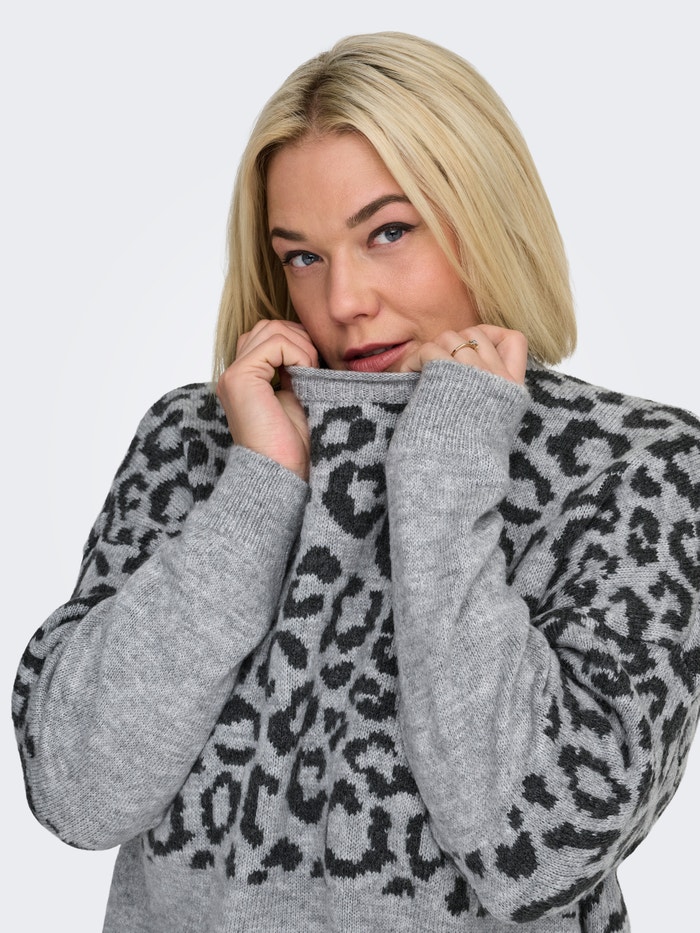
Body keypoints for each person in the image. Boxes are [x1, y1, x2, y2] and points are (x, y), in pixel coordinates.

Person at [12, 31, 700, 933]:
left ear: (487, 212)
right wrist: (258, 489)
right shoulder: (195, 443)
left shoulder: (635, 467)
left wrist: (448, 470)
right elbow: (76, 794)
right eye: (302, 255)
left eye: (388, 232)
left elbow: (536, 851)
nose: (344, 300)